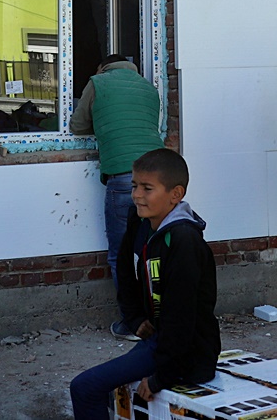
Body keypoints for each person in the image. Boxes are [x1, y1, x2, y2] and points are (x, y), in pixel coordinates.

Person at [69, 148, 220, 419]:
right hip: (160, 342)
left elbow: (183, 317)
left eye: (147, 188)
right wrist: (135, 318)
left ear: (175, 194)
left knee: (84, 388)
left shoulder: (184, 241)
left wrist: (161, 378)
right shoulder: (141, 222)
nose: (137, 195)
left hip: (189, 353)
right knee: (105, 391)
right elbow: (125, 269)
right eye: (134, 186)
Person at [69, 53, 162, 338]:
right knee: (156, 253)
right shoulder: (149, 87)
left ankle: (134, 324)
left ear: (103, 68)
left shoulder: (98, 82)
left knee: (122, 255)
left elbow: (77, 126)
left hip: (124, 177)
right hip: (159, 176)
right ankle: (162, 320)